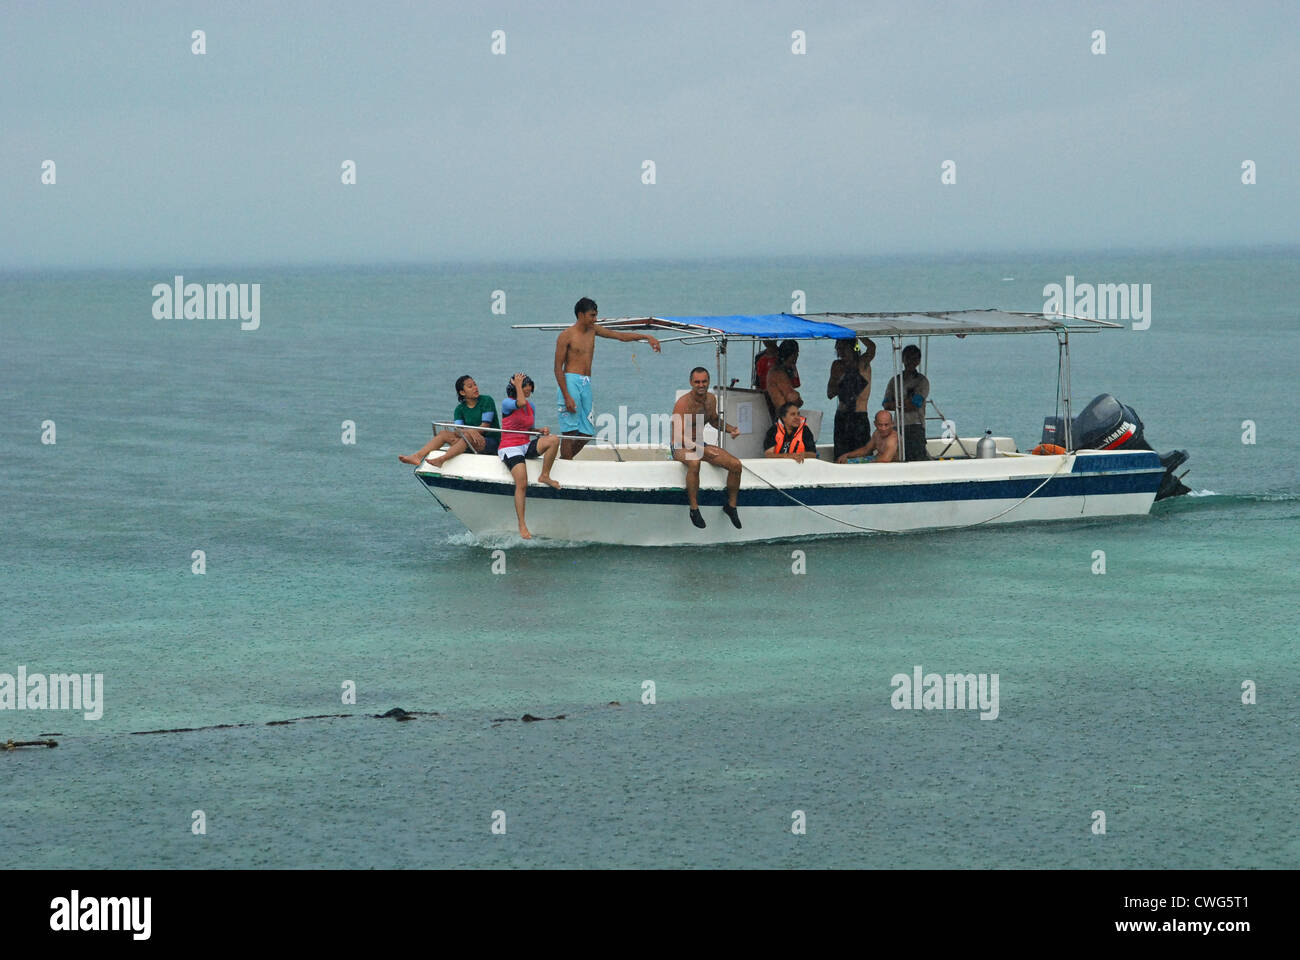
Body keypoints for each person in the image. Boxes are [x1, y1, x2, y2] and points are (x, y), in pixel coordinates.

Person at [554, 296, 661, 460]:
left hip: (586, 382)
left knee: (587, 432)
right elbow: (557, 368)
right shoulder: (566, 336)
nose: (595, 319)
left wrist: (646, 337)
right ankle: (567, 466)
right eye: (592, 315)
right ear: (581, 314)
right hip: (570, 381)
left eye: (596, 315)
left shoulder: (593, 330)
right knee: (569, 431)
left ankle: (564, 461)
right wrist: (567, 396)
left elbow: (619, 336)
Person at [669, 366, 743, 529]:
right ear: (691, 382)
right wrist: (701, 449)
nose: (701, 385)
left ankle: (731, 506)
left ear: (708, 382)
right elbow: (677, 436)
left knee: (736, 465)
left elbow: (714, 420)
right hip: (680, 446)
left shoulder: (711, 399)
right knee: (695, 462)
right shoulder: (682, 404)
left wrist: (731, 429)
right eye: (697, 382)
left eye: (704, 381)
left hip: (699, 444)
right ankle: (694, 509)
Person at [498, 373, 562, 540]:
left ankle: (545, 475)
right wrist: (518, 385)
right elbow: (519, 403)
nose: (528, 394)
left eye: (529, 392)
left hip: (525, 444)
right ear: (516, 389)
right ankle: (522, 523)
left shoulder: (530, 406)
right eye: (525, 390)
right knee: (522, 483)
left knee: (554, 440)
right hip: (510, 447)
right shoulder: (507, 403)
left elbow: (528, 429)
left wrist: (539, 431)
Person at [399, 375, 498, 467]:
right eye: (470, 386)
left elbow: (485, 426)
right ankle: (417, 456)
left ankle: (442, 460)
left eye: (475, 384)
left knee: (467, 435)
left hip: (490, 441)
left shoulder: (486, 400)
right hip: (470, 441)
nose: (475, 388)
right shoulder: (460, 409)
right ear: (462, 392)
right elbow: (458, 430)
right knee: (443, 434)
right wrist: (468, 431)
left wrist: (468, 432)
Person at [828, 338, 875, 461]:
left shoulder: (862, 362)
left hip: (859, 416)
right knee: (840, 455)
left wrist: (858, 333)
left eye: (843, 348)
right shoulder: (837, 365)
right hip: (842, 415)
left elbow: (872, 348)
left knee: (861, 455)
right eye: (838, 349)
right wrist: (841, 380)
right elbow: (830, 393)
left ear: (852, 348)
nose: (840, 352)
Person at [881, 343, 930, 462]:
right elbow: (886, 404)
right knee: (899, 458)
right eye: (908, 358)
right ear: (903, 359)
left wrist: (897, 403)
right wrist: (904, 402)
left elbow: (914, 405)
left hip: (916, 426)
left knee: (917, 459)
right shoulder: (895, 381)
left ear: (918, 361)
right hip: (898, 426)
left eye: (914, 359)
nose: (910, 362)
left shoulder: (922, 381)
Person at [764, 340, 802, 419]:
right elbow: (792, 398)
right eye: (797, 353)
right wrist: (799, 399)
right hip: (782, 416)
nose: (797, 356)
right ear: (793, 355)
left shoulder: (780, 370)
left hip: (779, 414)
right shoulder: (778, 373)